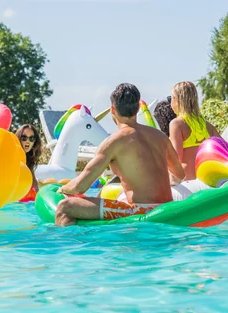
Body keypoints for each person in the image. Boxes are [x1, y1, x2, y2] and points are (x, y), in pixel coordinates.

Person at [55, 83, 186, 227]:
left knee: (65, 207)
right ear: (137, 109)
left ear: (113, 109)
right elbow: (179, 174)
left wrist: (61, 189)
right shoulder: (160, 136)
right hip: (167, 207)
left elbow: (80, 186)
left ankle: (68, 245)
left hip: (141, 211)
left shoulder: (113, 141)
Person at [168, 82, 220, 180]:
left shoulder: (176, 124)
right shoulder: (207, 125)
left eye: (171, 98)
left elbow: (175, 159)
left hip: (187, 181)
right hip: (206, 179)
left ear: (177, 100)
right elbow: (225, 150)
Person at [15, 124, 42, 192]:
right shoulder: (12, 155)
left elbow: (34, 185)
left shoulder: (29, 159)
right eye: (24, 137)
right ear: (18, 138)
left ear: (34, 142)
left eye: (31, 138)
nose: (27, 141)